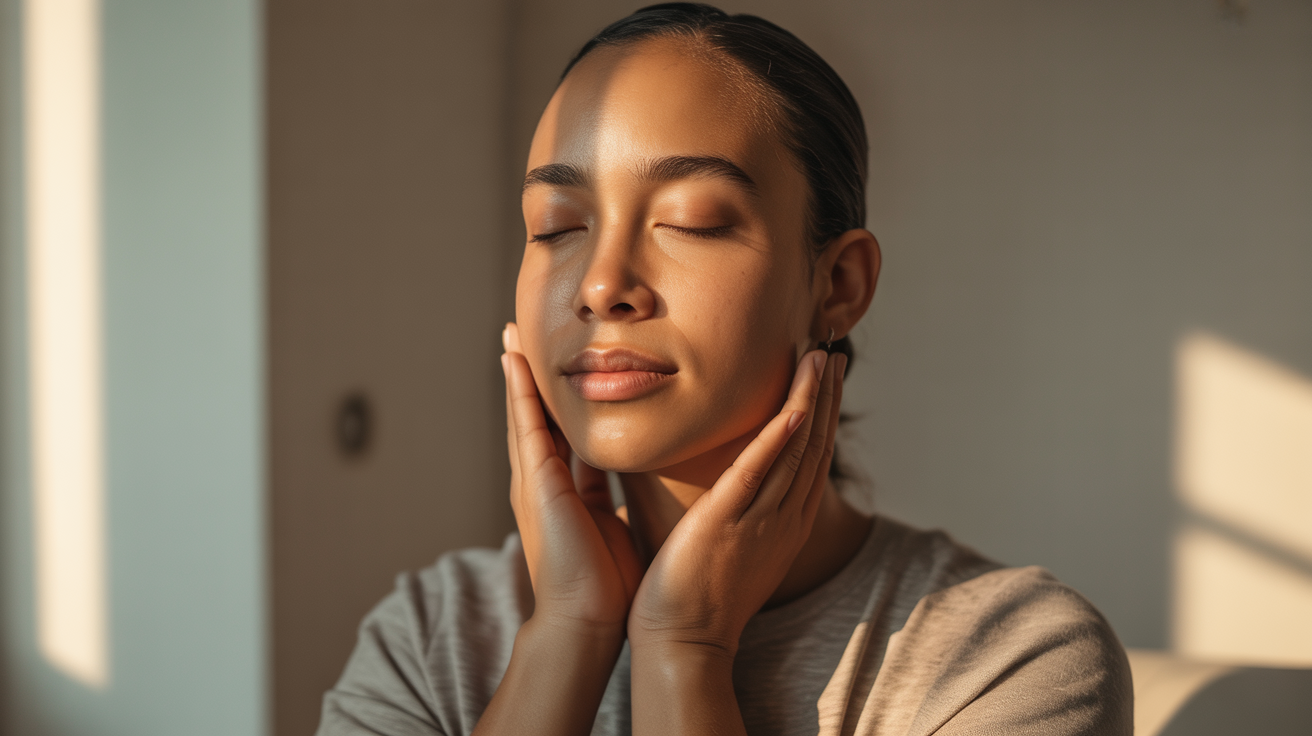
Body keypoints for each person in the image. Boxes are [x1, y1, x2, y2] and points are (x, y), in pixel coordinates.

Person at [316, 4, 1133, 735]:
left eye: (691, 220)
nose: (601, 285)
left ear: (837, 285)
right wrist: (566, 633)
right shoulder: (431, 636)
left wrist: (685, 649)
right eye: (557, 225)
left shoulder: (1012, 658)